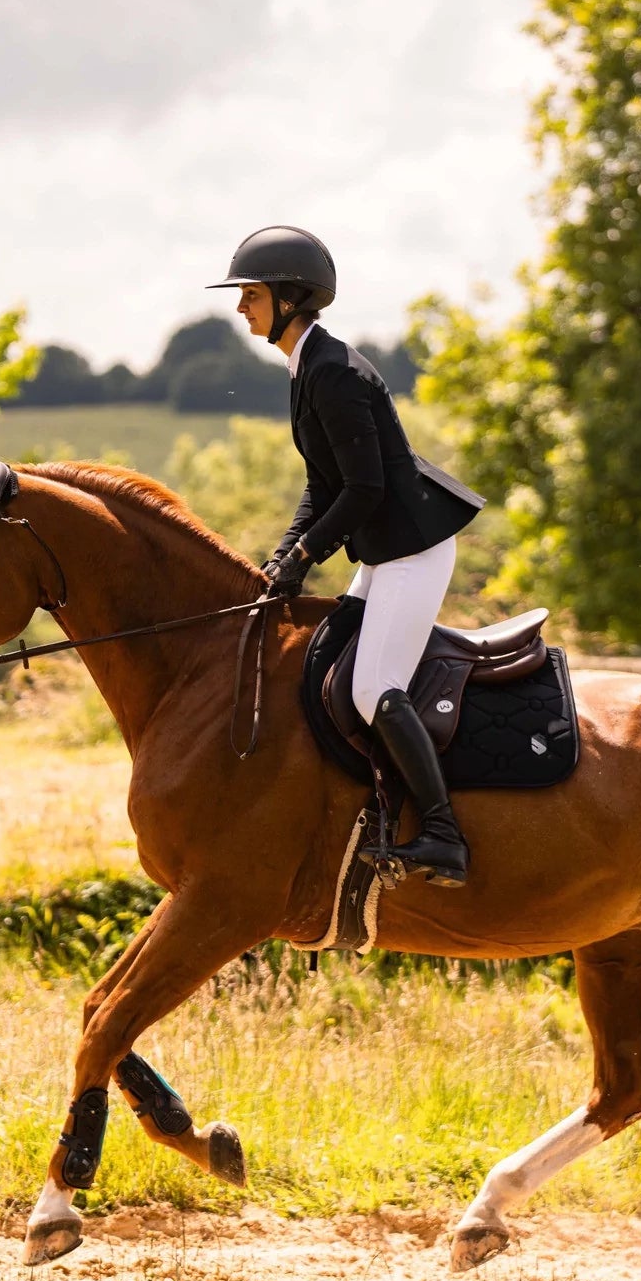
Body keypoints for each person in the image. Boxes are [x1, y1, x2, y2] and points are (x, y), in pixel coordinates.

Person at [207, 226, 485, 887]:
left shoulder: (330, 371)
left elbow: (366, 488)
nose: (241, 307)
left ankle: (444, 832)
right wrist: (283, 559)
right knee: (331, 660)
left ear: (291, 297)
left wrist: (306, 554)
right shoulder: (309, 366)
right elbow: (323, 485)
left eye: (251, 294)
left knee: (372, 687)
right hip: (385, 549)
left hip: (411, 549)